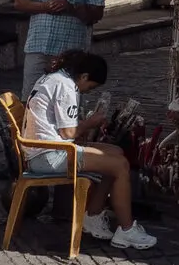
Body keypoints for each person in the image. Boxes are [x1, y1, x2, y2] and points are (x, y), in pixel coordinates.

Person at [22, 49, 156, 251]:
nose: (87, 91)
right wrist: (90, 123)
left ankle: (93, 215)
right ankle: (127, 229)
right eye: (90, 86)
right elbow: (68, 132)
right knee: (120, 166)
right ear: (83, 76)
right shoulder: (65, 86)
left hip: (46, 149)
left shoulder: (54, 78)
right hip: (49, 155)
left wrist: (84, 127)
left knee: (116, 153)